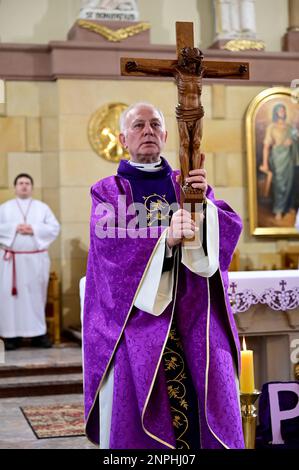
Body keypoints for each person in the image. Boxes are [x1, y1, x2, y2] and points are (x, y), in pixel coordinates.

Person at [83, 102, 244, 449]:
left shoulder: (186, 181)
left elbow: (226, 231)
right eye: (138, 126)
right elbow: (110, 243)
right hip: (138, 318)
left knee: (211, 377)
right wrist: (164, 238)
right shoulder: (107, 190)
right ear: (124, 138)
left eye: (155, 124)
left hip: (194, 313)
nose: (148, 131)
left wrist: (203, 206)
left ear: (166, 135)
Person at [0, 174, 60, 350]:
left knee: (35, 296)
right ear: (15, 187)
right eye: (20, 183)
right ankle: (11, 336)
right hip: (11, 262)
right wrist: (14, 228)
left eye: (27, 183)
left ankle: (38, 334)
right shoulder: (4, 208)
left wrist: (34, 229)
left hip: (36, 260)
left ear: (32, 187)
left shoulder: (42, 208)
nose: (24, 186)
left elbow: (54, 227)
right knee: (10, 298)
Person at [260, 103, 297, 221]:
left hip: (289, 158)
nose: (282, 112)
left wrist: (292, 141)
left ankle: (286, 207)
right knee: (279, 184)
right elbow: (266, 146)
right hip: (277, 157)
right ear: (275, 112)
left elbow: (296, 140)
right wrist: (265, 163)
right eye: (280, 111)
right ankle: (278, 210)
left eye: (284, 110)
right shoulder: (271, 127)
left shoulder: (290, 127)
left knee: (290, 183)